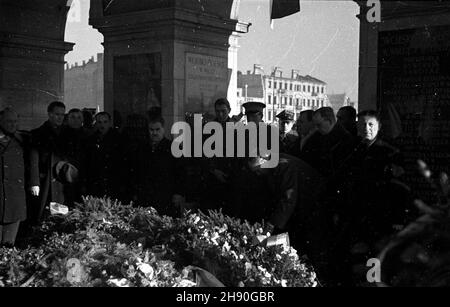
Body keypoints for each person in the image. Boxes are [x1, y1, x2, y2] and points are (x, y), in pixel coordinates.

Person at [132, 111, 183, 216]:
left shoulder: (173, 147)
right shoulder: (142, 148)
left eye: (157, 129)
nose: (154, 133)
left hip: (166, 195)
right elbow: (137, 171)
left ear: (164, 129)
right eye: (151, 130)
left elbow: (181, 172)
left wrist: (178, 193)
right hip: (146, 194)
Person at [29, 101, 67, 222]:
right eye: (57, 114)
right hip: (46, 180)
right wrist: (35, 182)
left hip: (62, 180)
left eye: (62, 114)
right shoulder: (37, 133)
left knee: (62, 213)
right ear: (49, 114)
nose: (60, 117)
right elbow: (33, 159)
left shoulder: (67, 133)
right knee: (43, 213)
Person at [0, 108, 27, 246]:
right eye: (9, 121)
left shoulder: (23, 140)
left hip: (14, 201)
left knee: (8, 246)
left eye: (15, 121)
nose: (12, 124)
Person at [85, 112, 127, 200]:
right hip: (97, 182)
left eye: (105, 122)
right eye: (99, 122)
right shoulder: (91, 140)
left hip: (114, 182)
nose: (102, 125)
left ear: (109, 122)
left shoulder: (119, 140)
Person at [61, 109, 88, 206]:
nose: (76, 120)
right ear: (67, 119)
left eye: (79, 117)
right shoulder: (61, 134)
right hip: (66, 175)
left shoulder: (88, 135)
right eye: (72, 117)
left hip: (84, 175)